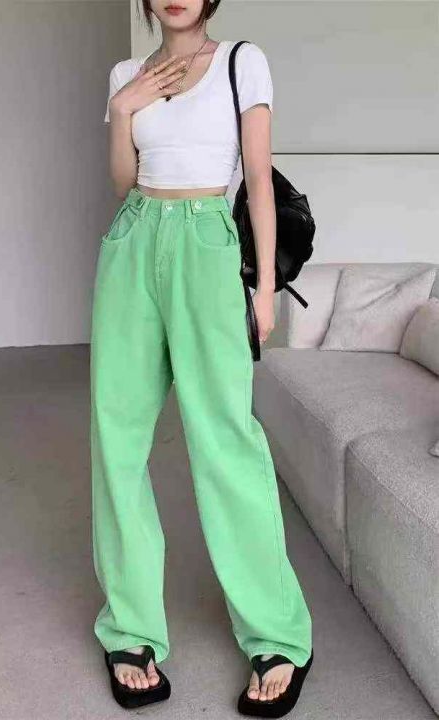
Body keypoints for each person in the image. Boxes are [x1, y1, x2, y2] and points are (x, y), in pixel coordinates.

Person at [90, 0, 314, 715]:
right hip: (133, 241)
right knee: (117, 439)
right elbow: (122, 184)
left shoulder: (242, 61)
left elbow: (257, 179)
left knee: (224, 439)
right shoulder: (126, 73)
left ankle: (275, 633)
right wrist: (123, 108)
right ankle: (130, 629)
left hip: (206, 242)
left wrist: (265, 288)